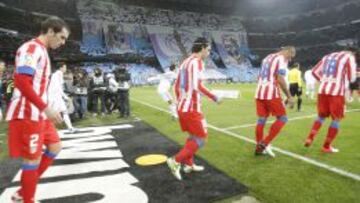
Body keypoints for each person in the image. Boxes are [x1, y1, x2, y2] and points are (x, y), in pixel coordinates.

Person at [5, 16, 69, 203]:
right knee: (31, 161)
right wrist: (46, 107)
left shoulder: (41, 50)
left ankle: (23, 192)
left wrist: (45, 108)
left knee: (55, 147)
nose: (63, 42)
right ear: (50, 31)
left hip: (38, 113)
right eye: (62, 37)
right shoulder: (31, 49)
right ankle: (27, 198)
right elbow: (22, 82)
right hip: (28, 113)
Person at [167, 37, 221, 180]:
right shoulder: (197, 62)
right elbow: (197, 86)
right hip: (191, 108)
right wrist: (214, 96)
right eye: (208, 49)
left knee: (193, 136)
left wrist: (180, 102)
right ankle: (175, 161)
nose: (209, 53)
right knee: (201, 138)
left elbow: (177, 86)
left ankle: (189, 164)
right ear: (202, 48)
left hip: (183, 107)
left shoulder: (185, 62)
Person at [304, 48, 358, 153]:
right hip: (336, 92)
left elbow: (314, 72)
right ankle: (326, 146)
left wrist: (324, 81)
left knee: (321, 116)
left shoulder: (328, 56)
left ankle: (310, 138)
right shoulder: (349, 57)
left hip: (323, 90)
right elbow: (352, 78)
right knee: (336, 119)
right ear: (352, 53)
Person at [254, 46, 296, 157]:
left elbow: (260, 76)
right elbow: (280, 79)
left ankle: (259, 147)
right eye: (290, 56)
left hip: (259, 92)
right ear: (287, 51)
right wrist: (289, 96)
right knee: (282, 118)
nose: (290, 59)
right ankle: (265, 143)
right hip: (270, 93)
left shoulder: (267, 57)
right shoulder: (281, 59)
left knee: (261, 120)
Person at [48, 63, 75, 132]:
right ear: (61, 68)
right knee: (54, 114)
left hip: (57, 97)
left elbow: (59, 88)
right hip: (54, 97)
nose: (65, 69)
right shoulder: (58, 74)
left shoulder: (57, 74)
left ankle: (70, 127)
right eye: (64, 67)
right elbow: (58, 88)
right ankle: (49, 129)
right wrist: (65, 97)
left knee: (64, 111)